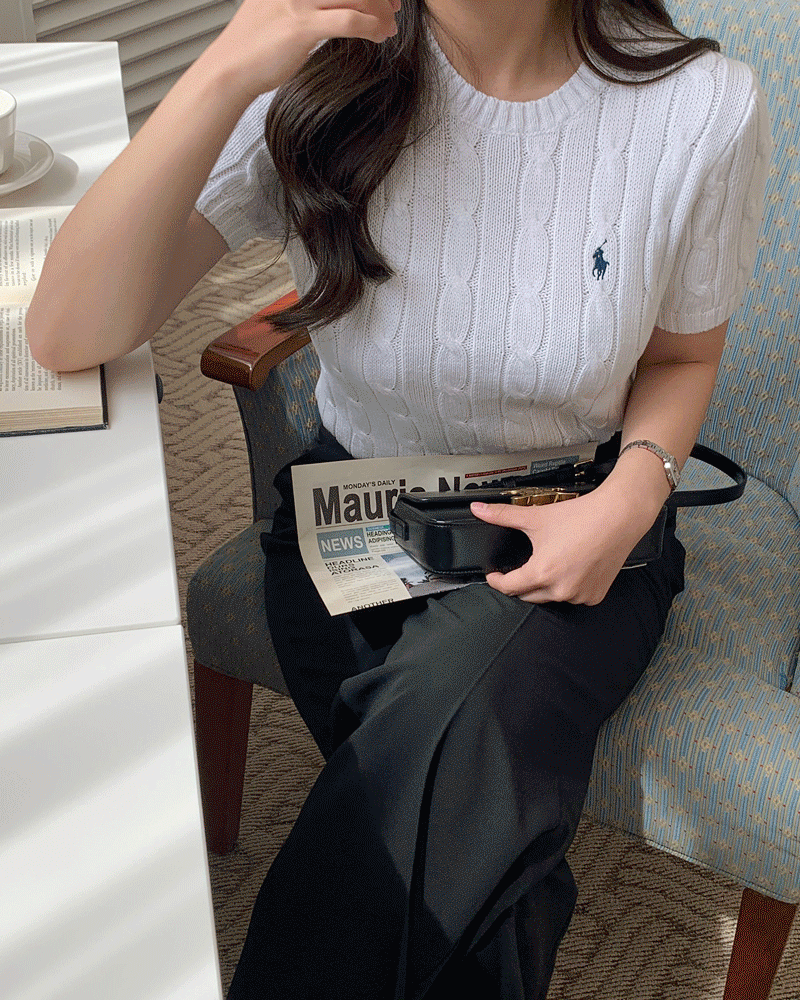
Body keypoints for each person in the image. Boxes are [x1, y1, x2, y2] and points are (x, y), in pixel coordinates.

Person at [26, 1, 770, 996]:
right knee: (476, 834)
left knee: (459, 719)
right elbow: (68, 330)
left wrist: (630, 499)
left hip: (573, 516)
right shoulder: (321, 73)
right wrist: (225, 67)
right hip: (354, 514)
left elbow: (681, 357)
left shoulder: (699, 104)